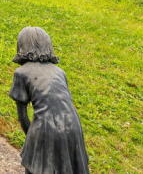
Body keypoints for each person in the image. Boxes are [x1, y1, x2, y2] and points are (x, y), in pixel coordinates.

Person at [9, 27, 89, 174]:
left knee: (36, 168)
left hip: (45, 127)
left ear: (21, 46)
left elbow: (23, 116)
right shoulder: (59, 72)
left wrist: (32, 140)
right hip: (73, 125)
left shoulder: (21, 72)